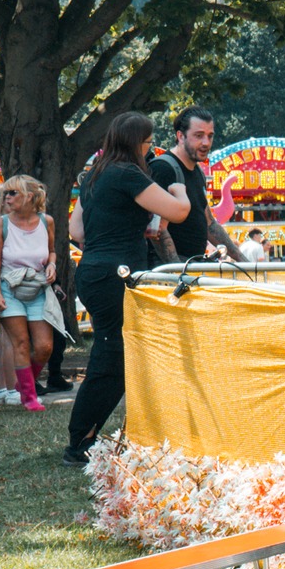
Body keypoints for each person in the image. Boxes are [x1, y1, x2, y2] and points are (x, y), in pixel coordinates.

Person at [65, 112, 191, 466]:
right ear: (138, 142)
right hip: (116, 274)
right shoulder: (128, 173)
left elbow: (77, 231)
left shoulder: (96, 174)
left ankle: (91, 436)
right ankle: (79, 441)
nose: (151, 149)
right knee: (111, 358)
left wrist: (121, 228)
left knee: (113, 353)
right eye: (150, 143)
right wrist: (179, 187)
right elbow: (178, 211)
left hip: (93, 271)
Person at [0, 175, 66, 411]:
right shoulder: (1, 224)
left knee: (44, 347)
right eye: (6, 193)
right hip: (9, 286)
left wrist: (52, 265)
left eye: (12, 193)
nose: (7, 198)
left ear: (29, 196)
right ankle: (29, 397)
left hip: (37, 286)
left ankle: (23, 384)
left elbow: (51, 251)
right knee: (20, 342)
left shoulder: (46, 221)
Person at [150, 106, 245, 263]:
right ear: (180, 136)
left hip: (192, 266)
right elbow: (157, 229)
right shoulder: (163, 168)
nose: (206, 142)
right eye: (199, 136)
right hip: (169, 270)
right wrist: (177, 270)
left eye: (210, 136)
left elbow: (210, 224)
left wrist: (244, 261)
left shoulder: (198, 172)